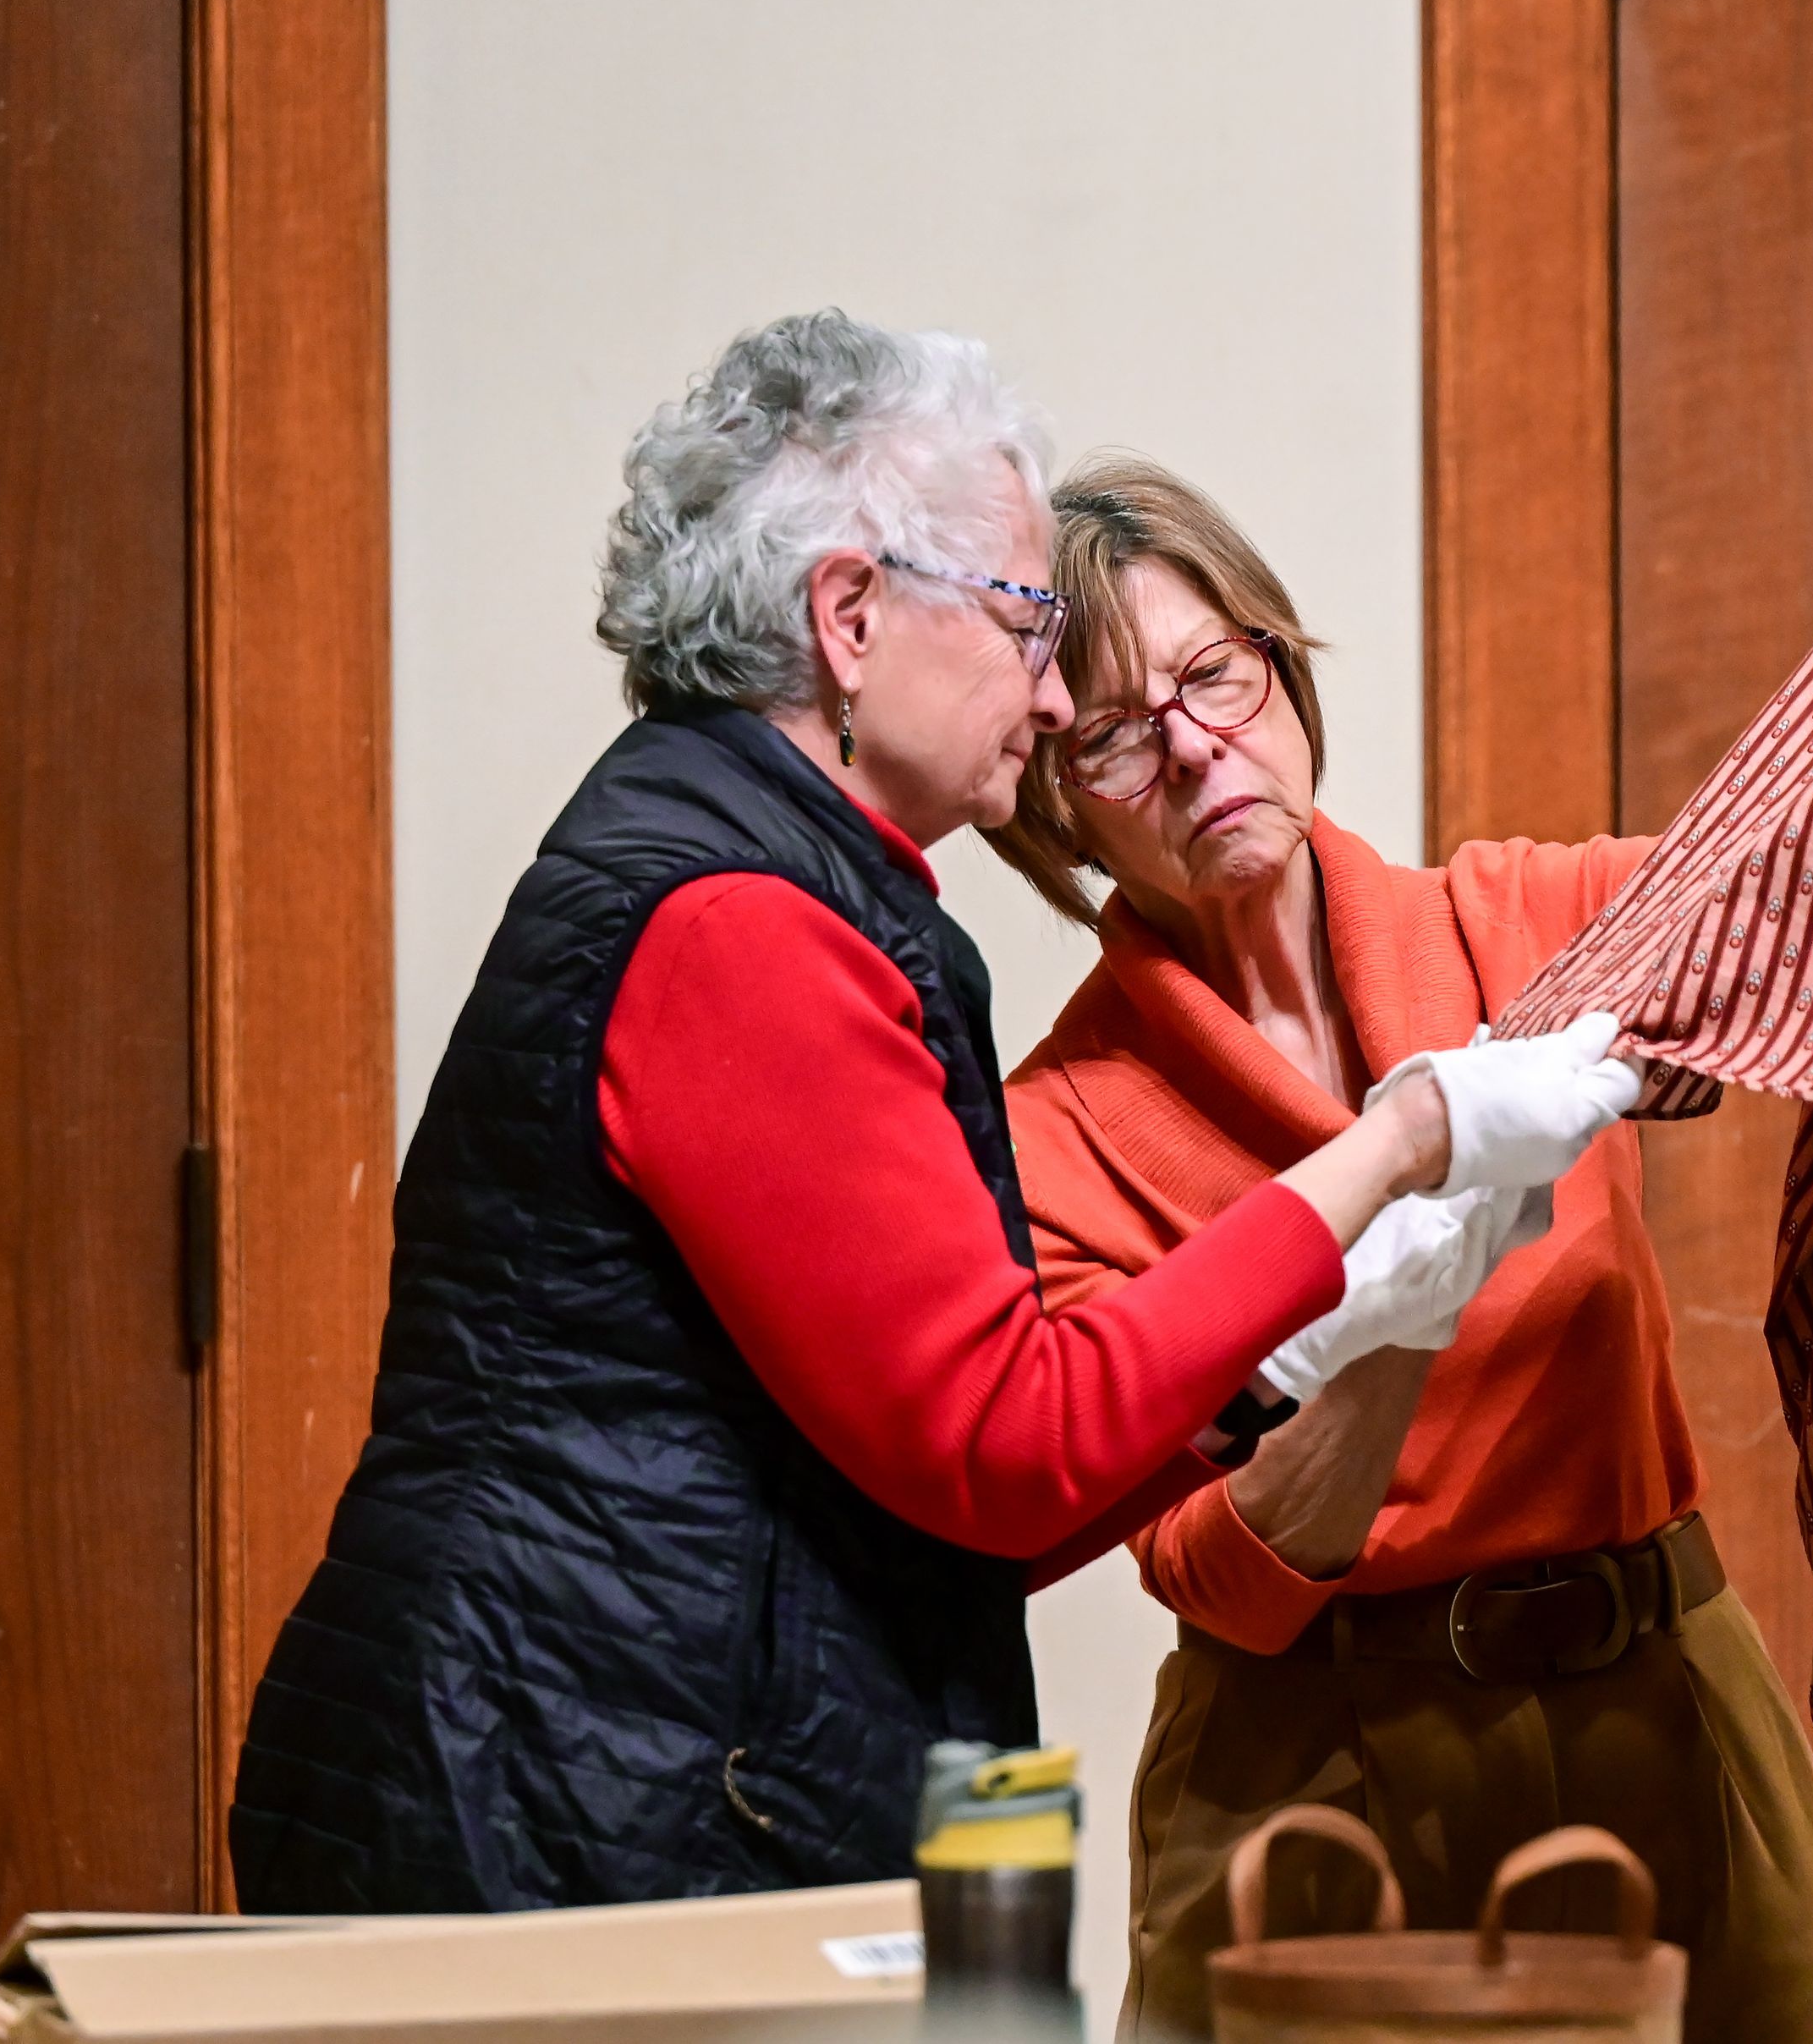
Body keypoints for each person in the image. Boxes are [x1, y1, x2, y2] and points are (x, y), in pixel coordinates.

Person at [227, 314, 1634, 1912]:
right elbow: (1001, 1446)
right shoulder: (735, 927)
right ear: (849, 615)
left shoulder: (780, 889)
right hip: (561, 1783)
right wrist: (1397, 1146)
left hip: (605, 1753)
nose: (1051, 707)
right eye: (1033, 626)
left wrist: (1302, 1340)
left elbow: (948, 1490)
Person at [985, 454, 1813, 2041]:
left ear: (1285, 666)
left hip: (1662, 1709)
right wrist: (1392, 1321)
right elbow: (1225, 1573)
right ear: (1059, 810)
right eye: (1112, 732)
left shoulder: (1525, 928)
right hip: (1308, 1784)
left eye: (1214, 675)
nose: (1190, 747)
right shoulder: (1059, 1135)